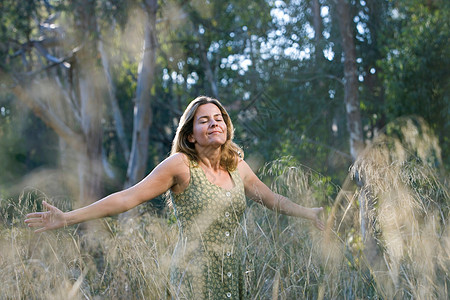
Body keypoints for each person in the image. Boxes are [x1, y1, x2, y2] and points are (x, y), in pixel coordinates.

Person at [25, 96, 324, 299]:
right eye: (204, 120)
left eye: (218, 118)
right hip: (193, 277)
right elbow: (128, 198)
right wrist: (68, 218)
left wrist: (309, 212)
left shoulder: (238, 168)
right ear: (191, 134)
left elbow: (272, 199)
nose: (214, 124)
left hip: (232, 275)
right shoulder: (181, 165)